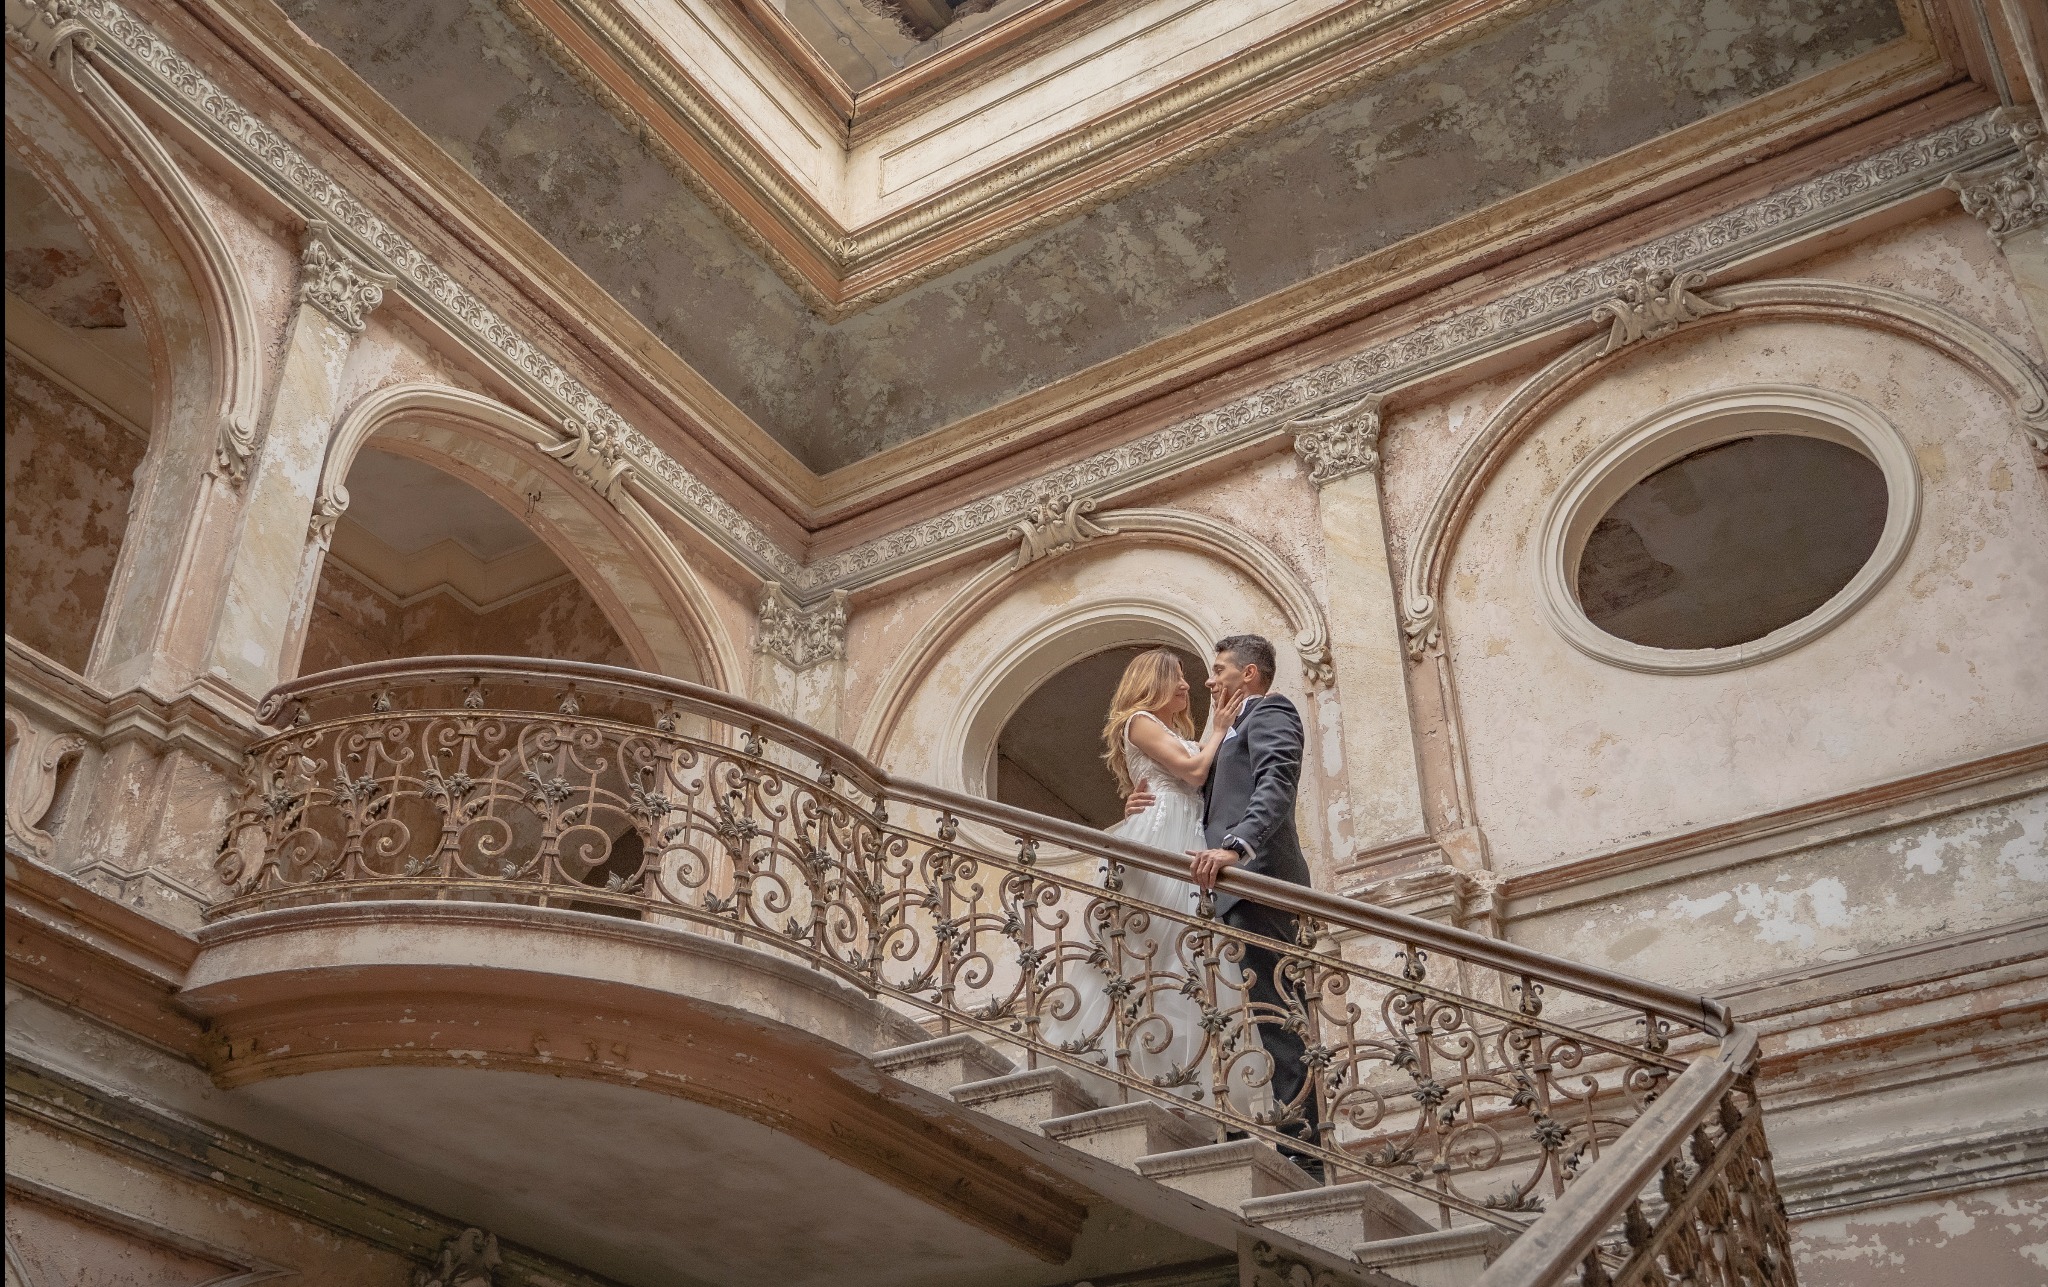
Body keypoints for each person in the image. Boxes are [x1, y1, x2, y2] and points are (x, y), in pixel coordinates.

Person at [1123, 634, 1321, 1178]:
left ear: (1249, 674)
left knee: (1280, 1022)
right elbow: (1193, 787)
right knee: (1237, 1018)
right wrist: (1144, 806)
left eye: (1217, 670)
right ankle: (1238, 1126)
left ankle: (1304, 1156)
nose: (1206, 681)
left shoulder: (1270, 711)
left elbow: (1277, 784)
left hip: (1258, 881)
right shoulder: (1222, 731)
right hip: (1222, 893)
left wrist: (1238, 846)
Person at [1042, 648, 1248, 1108]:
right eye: (1177, 677)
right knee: (1148, 952)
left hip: (1184, 832)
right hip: (1162, 837)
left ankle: (1173, 1080)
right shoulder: (1139, 720)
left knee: (1185, 959)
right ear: (1153, 681)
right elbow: (1194, 772)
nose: (1187, 686)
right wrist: (1217, 731)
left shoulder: (1171, 731)